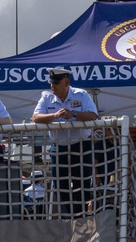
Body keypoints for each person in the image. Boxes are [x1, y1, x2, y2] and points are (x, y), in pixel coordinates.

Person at [31, 66, 99, 218]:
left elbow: (93, 115)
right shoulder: (46, 97)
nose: (52, 86)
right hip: (59, 147)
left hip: (81, 145)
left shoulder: (80, 95)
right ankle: (71, 215)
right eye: (51, 83)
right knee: (60, 185)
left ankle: (80, 216)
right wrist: (54, 115)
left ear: (66, 82)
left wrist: (73, 114)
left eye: (56, 83)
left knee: (81, 183)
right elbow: (35, 118)